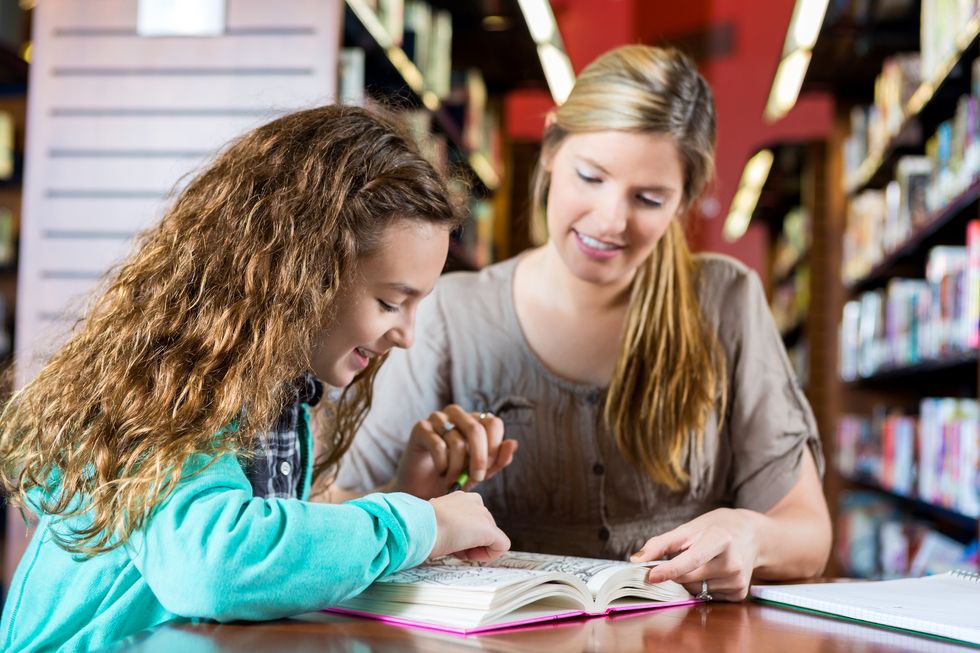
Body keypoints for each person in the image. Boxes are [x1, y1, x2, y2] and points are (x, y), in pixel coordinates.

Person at [330, 46, 833, 602]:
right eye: (591, 176)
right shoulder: (450, 313)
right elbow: (342, 506)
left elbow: (809, 533)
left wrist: (753, 535)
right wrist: (411, 496)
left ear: (683, 201)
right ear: (550, 150)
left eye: (648, 198)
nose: (611, 219)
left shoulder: (726, 299)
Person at [0, 105, 510, 653]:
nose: (406, 336)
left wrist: (406, 494)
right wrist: (418, 524)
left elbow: (269, 539)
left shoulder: (279, 383)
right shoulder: (180, 378)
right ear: (304, 271)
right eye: (390, 302)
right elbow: (212, 565)